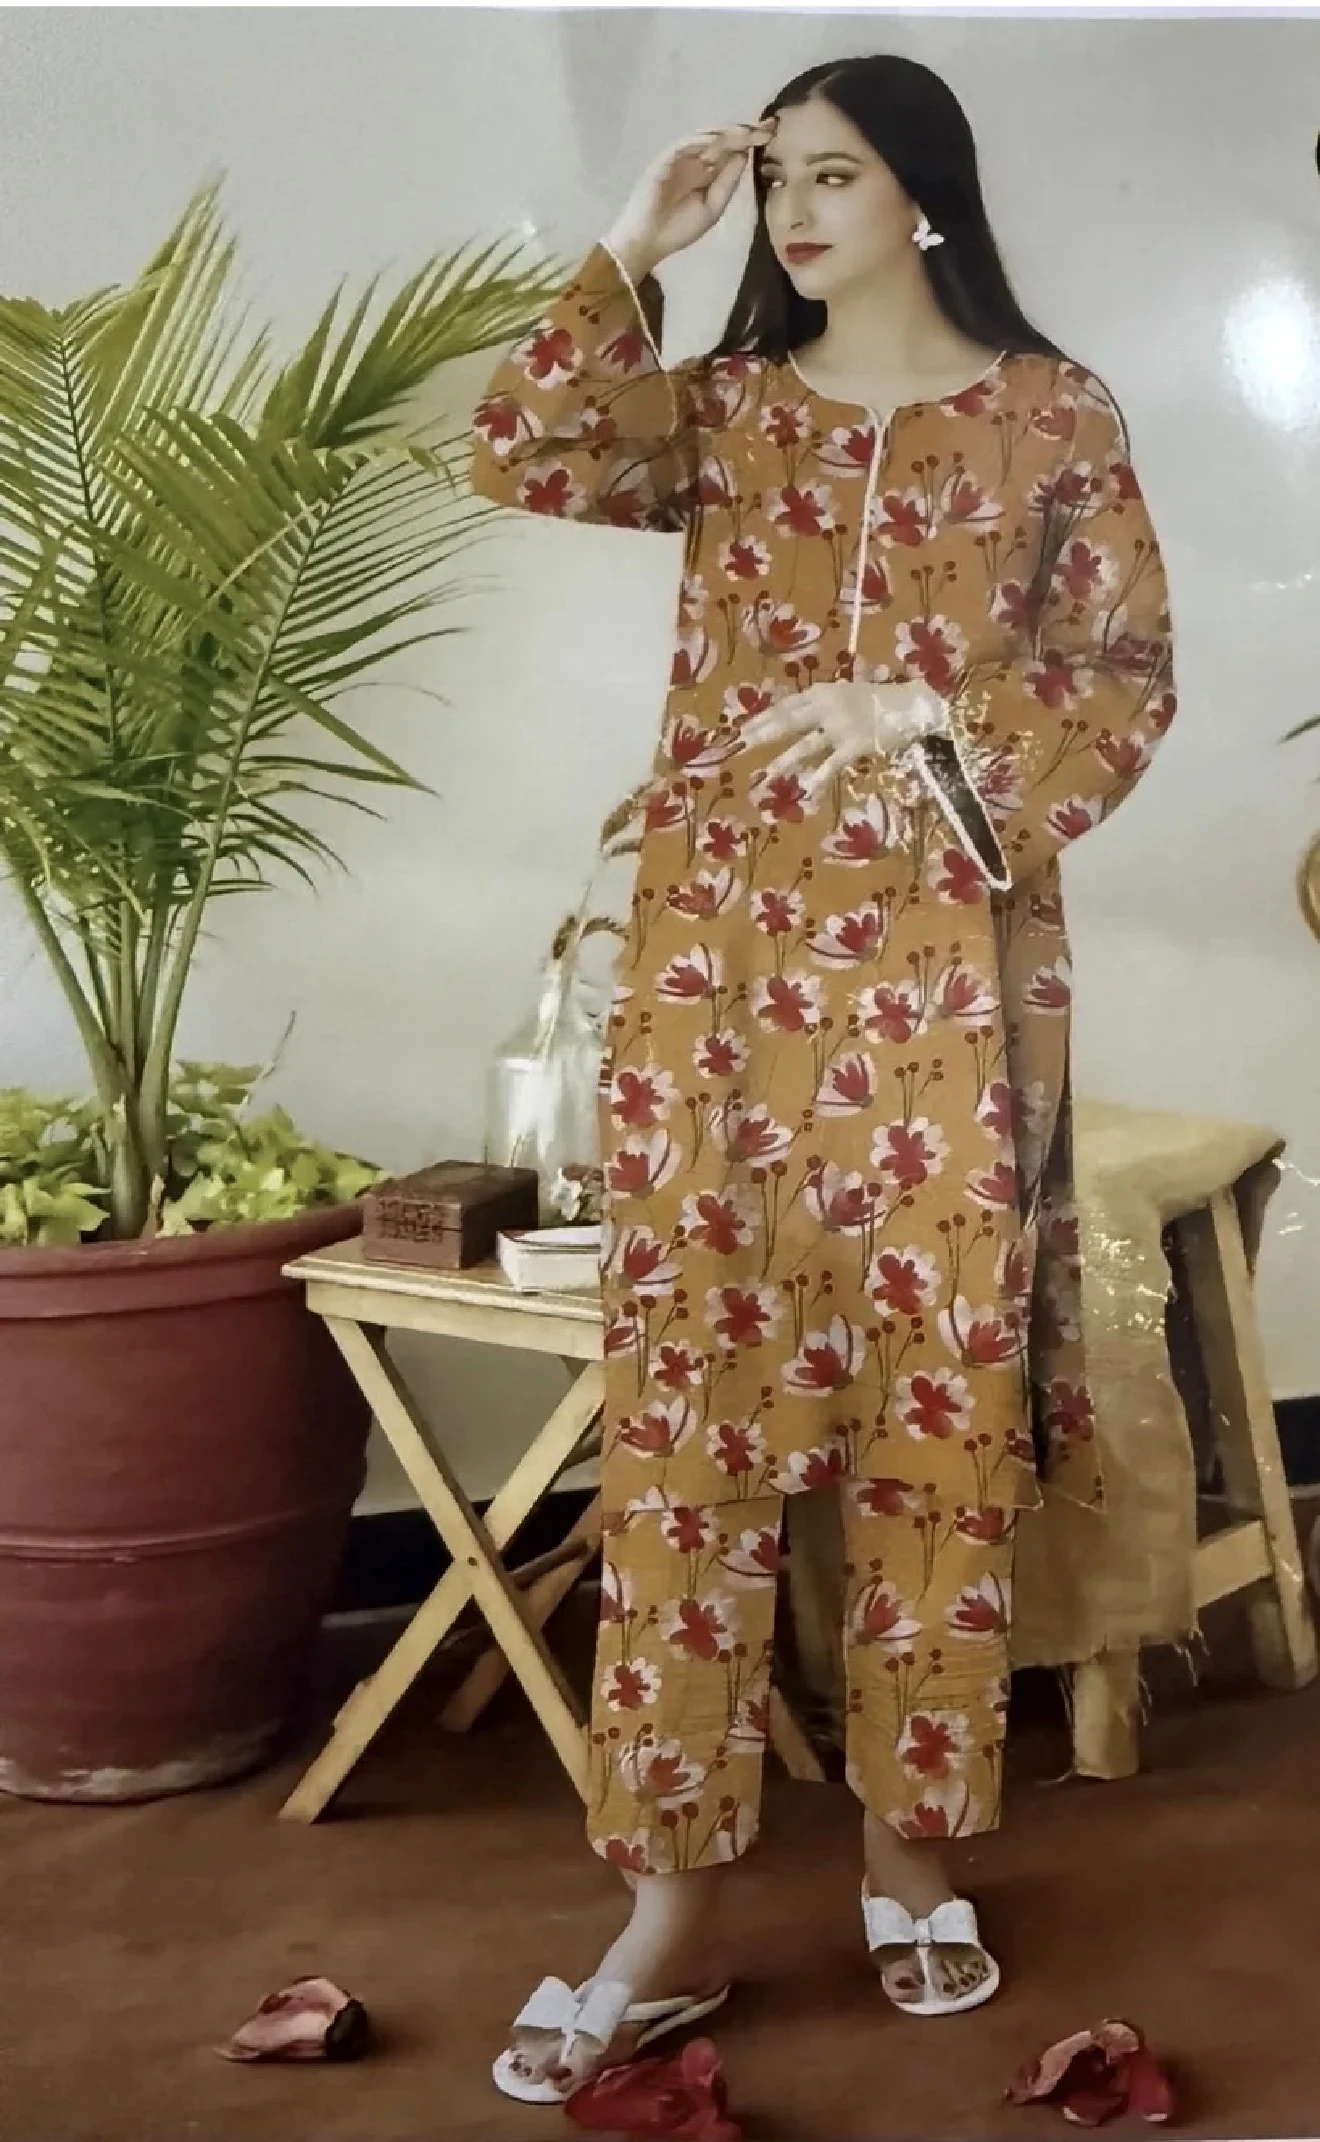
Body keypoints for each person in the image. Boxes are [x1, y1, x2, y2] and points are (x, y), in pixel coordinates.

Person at [469, 51, 1177, 2105]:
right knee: (686, 1426)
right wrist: (637, 241)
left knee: (930, 1427)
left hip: (946, 987)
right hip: (722, 981)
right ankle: (668, 1910)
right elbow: (520, 447)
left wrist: (922, 702)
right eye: (773, 176)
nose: (790, 209)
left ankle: (910, 1850)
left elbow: (1128, 678)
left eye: (831, 173)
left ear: (924, 194)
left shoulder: (1052, 417)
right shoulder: (730, 414)